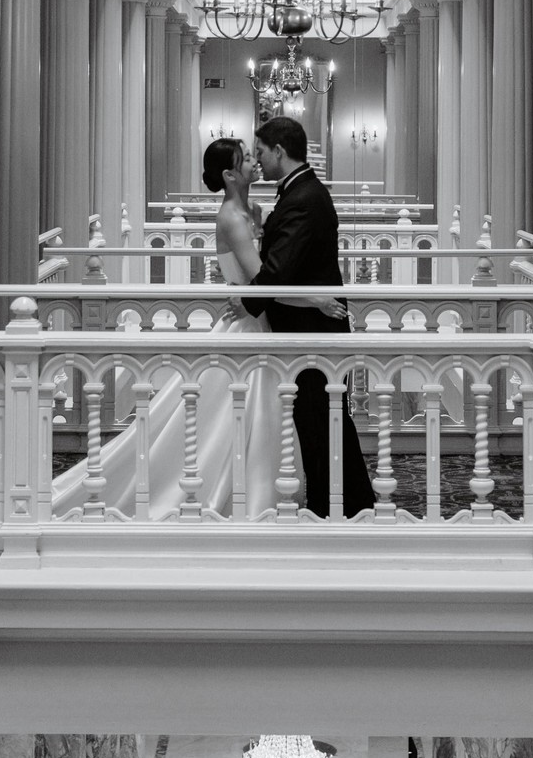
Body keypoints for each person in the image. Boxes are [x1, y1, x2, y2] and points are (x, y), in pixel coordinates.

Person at [51, 136, 342, 519]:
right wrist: (316, 300)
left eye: (256, 155)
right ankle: (243, 496)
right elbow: (266, 286)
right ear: (228, 173)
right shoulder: (232, 219)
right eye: (245, 159)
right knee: (236, 414)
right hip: (249, 327)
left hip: (261, 322)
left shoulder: (253, 210)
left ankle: (266, 493)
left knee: (267, 415)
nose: (254, 162)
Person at [240, 115, 377, 519]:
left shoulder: (303, 197)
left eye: (261, 152)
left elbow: (279, 272)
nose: (259, 161)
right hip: (307, 325)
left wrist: (244, 302)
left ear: (279, 151)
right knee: (322, 419)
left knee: (323, 420)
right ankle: (341, 502)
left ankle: (339, 506)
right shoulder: (300, 192)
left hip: (313, 330)